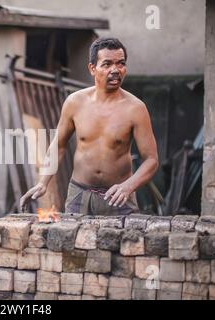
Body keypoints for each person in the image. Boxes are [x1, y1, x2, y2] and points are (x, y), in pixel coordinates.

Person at [20, 37, 159, 215]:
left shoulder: (136, 109)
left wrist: (128, 187)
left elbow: (151, 160)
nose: (115, 70)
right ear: (92, 68)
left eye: (121, 63)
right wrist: (43, 182)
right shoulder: (75, 102)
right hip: (79, 195)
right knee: (72, 241)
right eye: (107, 64)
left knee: (124, 242)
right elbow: (58, 145)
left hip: (119, 198)